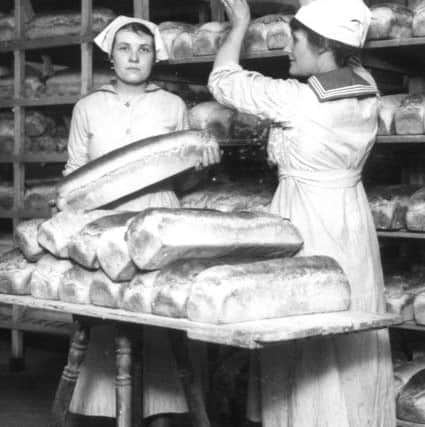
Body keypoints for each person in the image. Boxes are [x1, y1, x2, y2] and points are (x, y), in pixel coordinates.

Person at [208, 0, 395, 426]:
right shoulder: (366, 84)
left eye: (295, 40)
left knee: (306, 330)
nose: (289, 50)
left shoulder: (298, 101)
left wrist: (240, 24)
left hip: (306, 222)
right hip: (351, 218)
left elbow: (223, 80)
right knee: (350, 330)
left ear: (323, 44)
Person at [63, 16, 220, 427]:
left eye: (144, 49)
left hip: (159, 215)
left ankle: (161, 410)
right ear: (111, 58)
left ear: (155, 58)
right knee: (104, 313)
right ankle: (102, 411)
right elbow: (75, 170)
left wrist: (201, 166)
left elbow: (185, 174)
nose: (134, 57)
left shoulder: (172, 105)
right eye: (125, 48)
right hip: (103, 219)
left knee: (157, 310)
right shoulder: (87, 107)